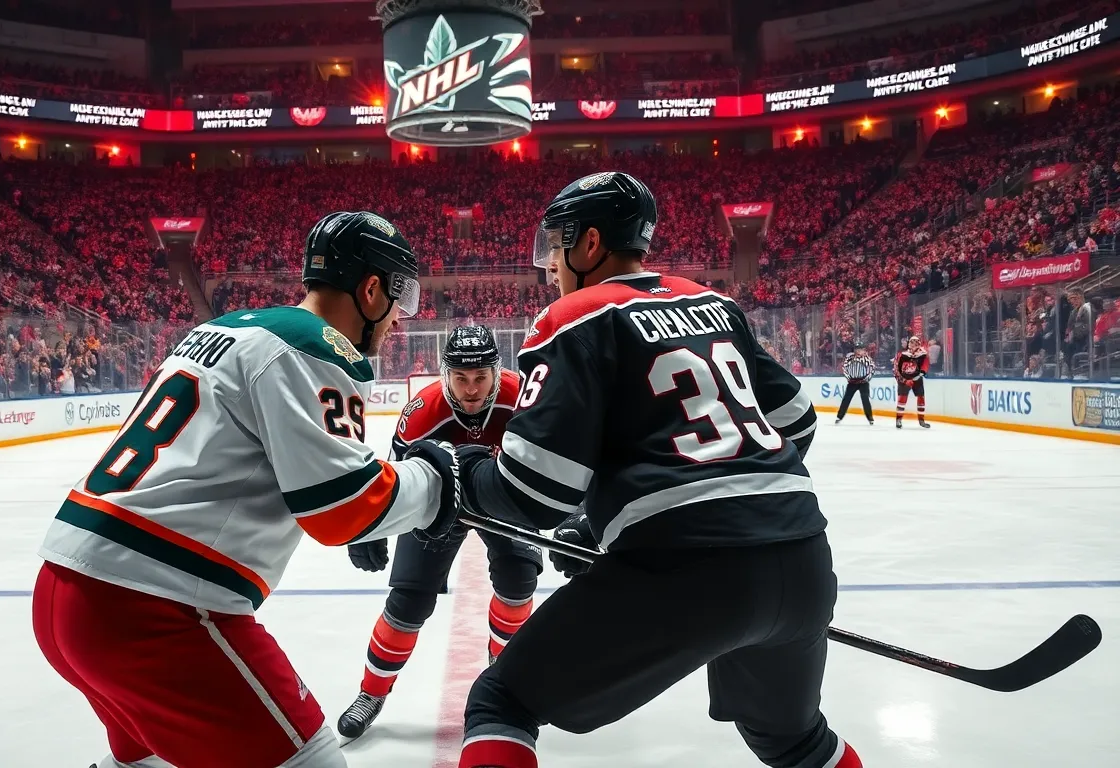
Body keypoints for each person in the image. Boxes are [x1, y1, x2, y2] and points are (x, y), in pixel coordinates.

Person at [30, 211, 471, 768]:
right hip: (155, 608)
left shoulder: (226, 326)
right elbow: (342, 510)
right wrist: (439, 475)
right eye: (398, 301)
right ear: (370, 288)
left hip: (63, 593)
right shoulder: (315, 346)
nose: (397, 322)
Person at [451, 172, 862, 768]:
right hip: (803, 556)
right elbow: (796, 425)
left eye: (557, 246)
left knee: (502, 700)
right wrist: (602, 525)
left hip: (684, 564)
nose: (551, 267)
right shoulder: (715, 303)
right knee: (792, 740)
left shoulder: (577, 314)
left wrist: (457, 477)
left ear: (590, 243)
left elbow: (536, 489)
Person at [336, 326, 529, 739]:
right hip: (439, 504)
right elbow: (390, 477)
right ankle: (371, 692)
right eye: (461, 378)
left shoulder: (523, 398)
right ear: (445, 375)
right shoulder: (422, 410)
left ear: (498, 372)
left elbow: (561, 458)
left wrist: (576, 515)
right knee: (408, 601)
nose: (472, 389)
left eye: (481, 378)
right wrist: (370, 528)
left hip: (503, 498)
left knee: (518, 583)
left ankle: (505, 681)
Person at [893, 335, 930, 429]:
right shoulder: (901, 354)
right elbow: (896, 369)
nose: (913, 345)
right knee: (902, 399)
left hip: (917, 379)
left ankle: (921, 420)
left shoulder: (923, 354)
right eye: (911, 342)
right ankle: (899, 419)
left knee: (921, 397)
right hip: (904, 379)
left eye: (916, 343)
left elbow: (925, 366)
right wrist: (904, 380)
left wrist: (921, 373)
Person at [834, 347, 875, 425]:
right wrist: (848, 377)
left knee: (865, 399)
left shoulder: (867, 359)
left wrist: (866, 379)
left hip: (863, 382)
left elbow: (872, 369)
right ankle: (839, 416)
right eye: (857, 349)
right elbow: (844, 368)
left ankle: (870, 418)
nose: (858, 351)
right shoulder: (850, 358)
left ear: (864, 350)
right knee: (846, 399)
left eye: (860, 350)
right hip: (852, 382)